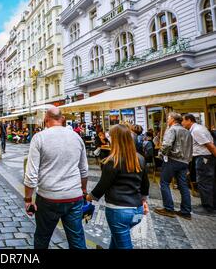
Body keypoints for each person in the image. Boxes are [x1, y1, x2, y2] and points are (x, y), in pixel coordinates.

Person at [24, 107, 88, 250]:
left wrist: (28, 199)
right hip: (74, 197)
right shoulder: (77, 137)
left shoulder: (39, 137)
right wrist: (83, 190)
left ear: (46, 120)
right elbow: (84, 170)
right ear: (62, 119)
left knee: (42, 238)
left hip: (48, 197)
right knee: (77, 239)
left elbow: (31, 174)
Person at [86, 124, 150, 249]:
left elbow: (102, 186)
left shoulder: (112, 161)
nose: (109, 138)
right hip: (137, 211)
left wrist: (88, 197)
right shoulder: (140, 159)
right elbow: (145, 184)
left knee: (123, 245)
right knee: (117, 241)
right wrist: (143, 201)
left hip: (118, 211)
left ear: (116, 139)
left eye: (110, 136)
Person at [154, 112, 193, 220]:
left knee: (164, 182)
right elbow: (190, 148)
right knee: (183, 186)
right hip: (184, 162)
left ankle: (168, 208)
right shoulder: (187, 131)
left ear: (173, 120)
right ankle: (186, 211)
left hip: (173, 159)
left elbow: (167, 144)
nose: (167, 120)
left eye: (168, 118)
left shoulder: (172, 129)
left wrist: (161, 154)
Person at [182, 114, 216, 214]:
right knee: (206, 182)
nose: (182, 123)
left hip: (204, 158)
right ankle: (209, 204)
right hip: (204, 158)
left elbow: (210, 145)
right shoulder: (197, 129)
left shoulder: (196, 130)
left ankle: (208, 207)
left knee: (204, 182)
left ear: (189, 120)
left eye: (183, 121)